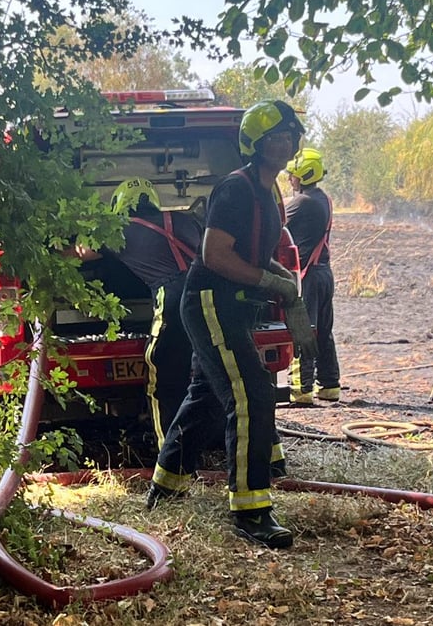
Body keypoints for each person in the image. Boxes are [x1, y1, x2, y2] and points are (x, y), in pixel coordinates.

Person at [145, 100, 317, 550]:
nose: (285, 143)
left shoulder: (269, 190)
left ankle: (166, 486)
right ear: (255, 144)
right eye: (275, 137)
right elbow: (216, 255)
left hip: (234, 305)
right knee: (250, 394)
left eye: (290, 136)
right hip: (210, 301)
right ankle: (251, 510)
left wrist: (285, 284)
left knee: (204, 396)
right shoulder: (236, 189)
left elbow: (255, 254)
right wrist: (269, 281)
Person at [76, 177, 213, 449]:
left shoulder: (119, 229)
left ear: (119, 205)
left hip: (174, 299)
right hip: (209, 296)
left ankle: (170, 455)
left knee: (162, 377)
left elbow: (81, 253)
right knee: (207, 376)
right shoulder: (185, 221)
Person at [284, 148, 341, 404]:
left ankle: (301, 389)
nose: (289, 179)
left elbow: (276, 223)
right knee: (324, 331)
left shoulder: (302, 202)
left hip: (308, 275)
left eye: (293, 175)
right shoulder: (323, 199)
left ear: (304, 175)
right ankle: (329, 385)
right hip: (324, 273)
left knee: (303, 330)